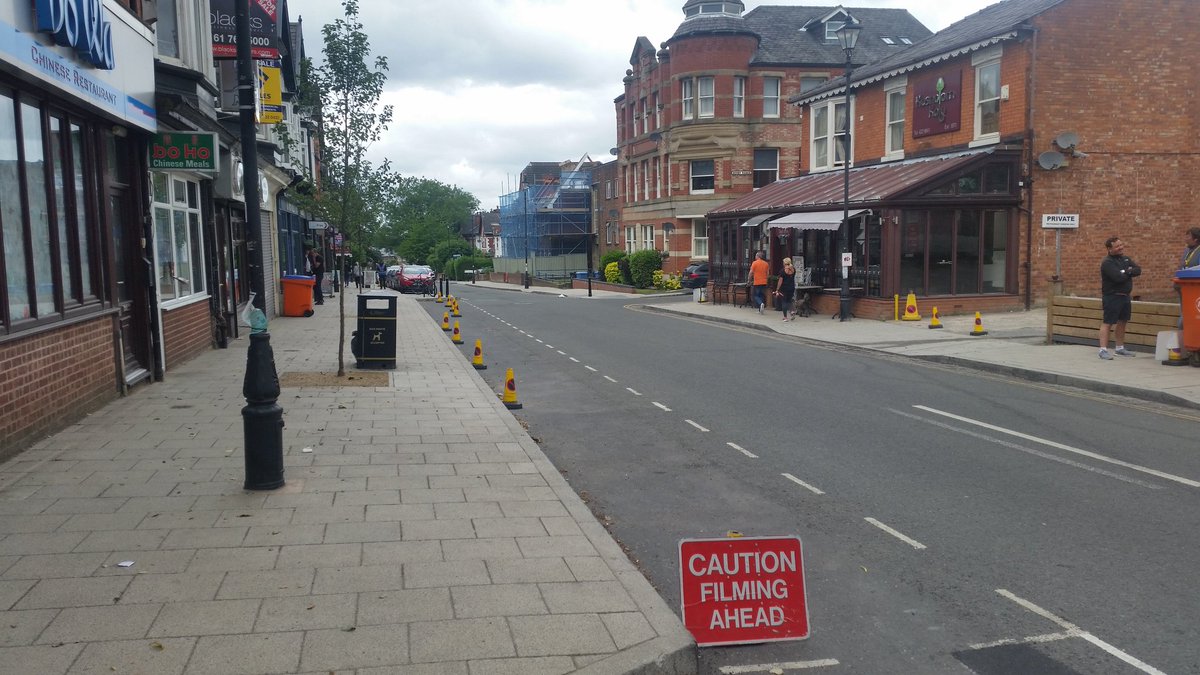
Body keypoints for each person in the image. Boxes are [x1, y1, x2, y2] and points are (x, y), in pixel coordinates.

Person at [1098, 236, 1140, 359]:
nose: (1121, 247)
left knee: (1122, 322)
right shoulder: (1107, 263)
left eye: (1121, 245)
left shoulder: (1126, 259)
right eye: (1117, 246)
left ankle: (1119, 348)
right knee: (1108, 323)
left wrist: (1125, 272)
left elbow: (1138, 270)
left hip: (1125, 296)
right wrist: (1128, 272)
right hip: (1112, 296)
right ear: (1109, 249)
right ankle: (1103, 350)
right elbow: (1118, 278)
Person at [775, 257, 797, 321]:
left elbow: (780, 281)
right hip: (791, 287)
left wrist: (777, 289)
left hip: (784, 288)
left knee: (784, 301)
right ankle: (792, 311)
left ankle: (785, 317)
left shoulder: (782, 271)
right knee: (789, 300)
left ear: (784, 263)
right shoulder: (793, 270)